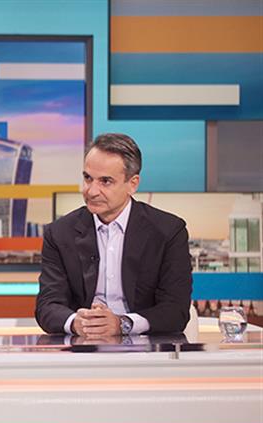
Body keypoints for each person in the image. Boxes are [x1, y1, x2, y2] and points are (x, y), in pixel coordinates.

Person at [36, 133, 192, 337]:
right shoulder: (59, 233)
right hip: (82, 348)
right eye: (87, 178)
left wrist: (122, 324)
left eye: (105, 181)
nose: (91, 191)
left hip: (145, 350)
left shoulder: (168, 232)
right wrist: (76, 322)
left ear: (132, 184)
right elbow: (47, 306)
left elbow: (175, 311)